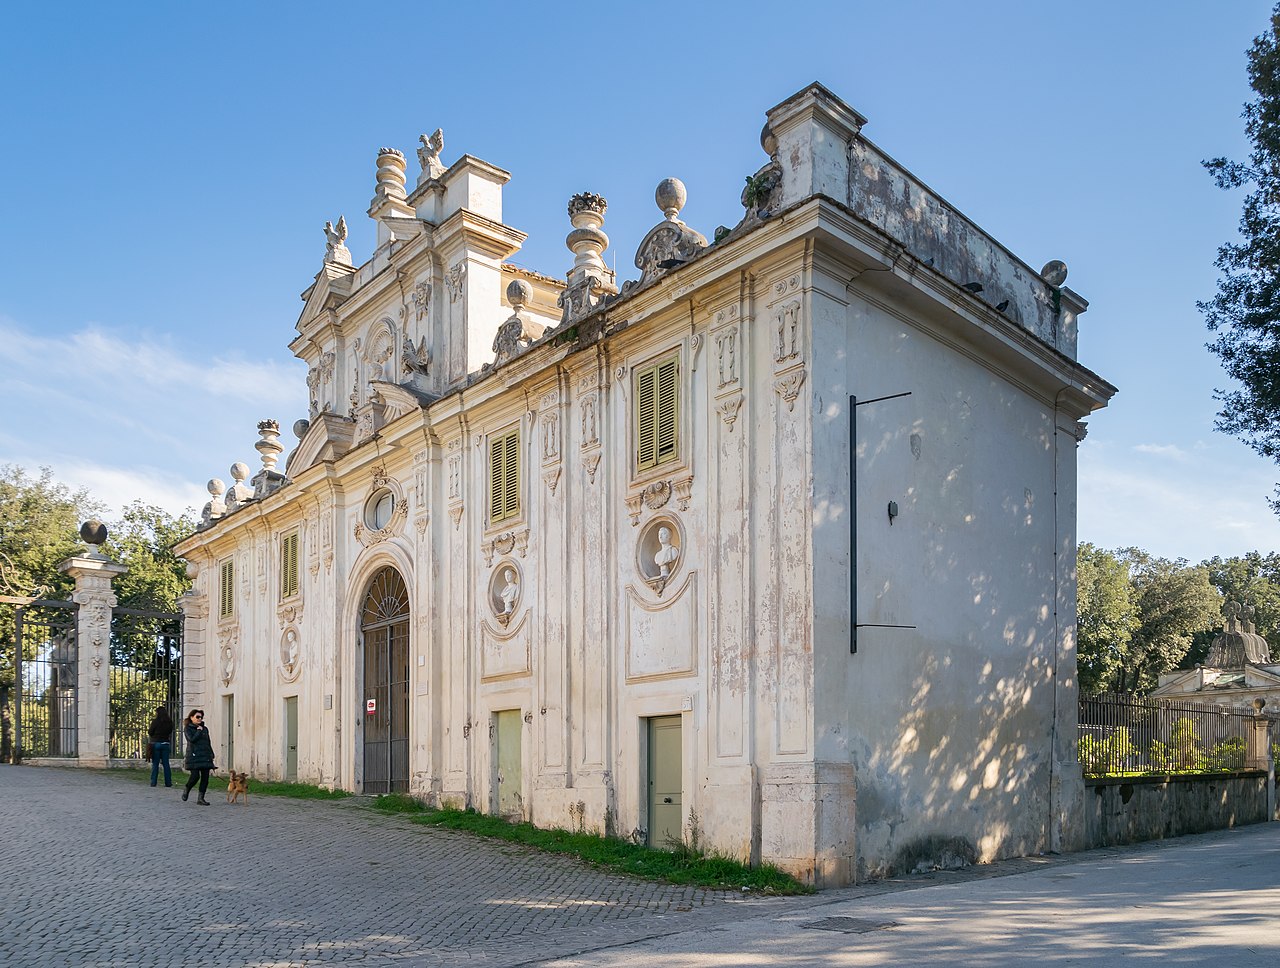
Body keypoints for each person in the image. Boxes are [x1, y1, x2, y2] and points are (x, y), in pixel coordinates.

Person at [182, 709, 215, 805]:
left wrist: (211, 753)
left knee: (205, 777)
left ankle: (201, 798)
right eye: (197, 717)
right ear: (191, 717)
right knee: (195, 776)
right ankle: (187, 788)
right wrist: (198, 731)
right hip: (194, 756)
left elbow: (207, 742)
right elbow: (191, 740)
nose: (200, 719)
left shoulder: (205, 729)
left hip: (205, 755)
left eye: (201, 717)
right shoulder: (188, 728)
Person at [147, 706, 174, 787]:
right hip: (166, 743)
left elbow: (150, 731)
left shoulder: (155, 722)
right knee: (166, 764)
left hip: (156, 743)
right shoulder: (170, 722)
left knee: (155, 764)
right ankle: (168, 782)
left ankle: (153, 782)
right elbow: (170, 732)